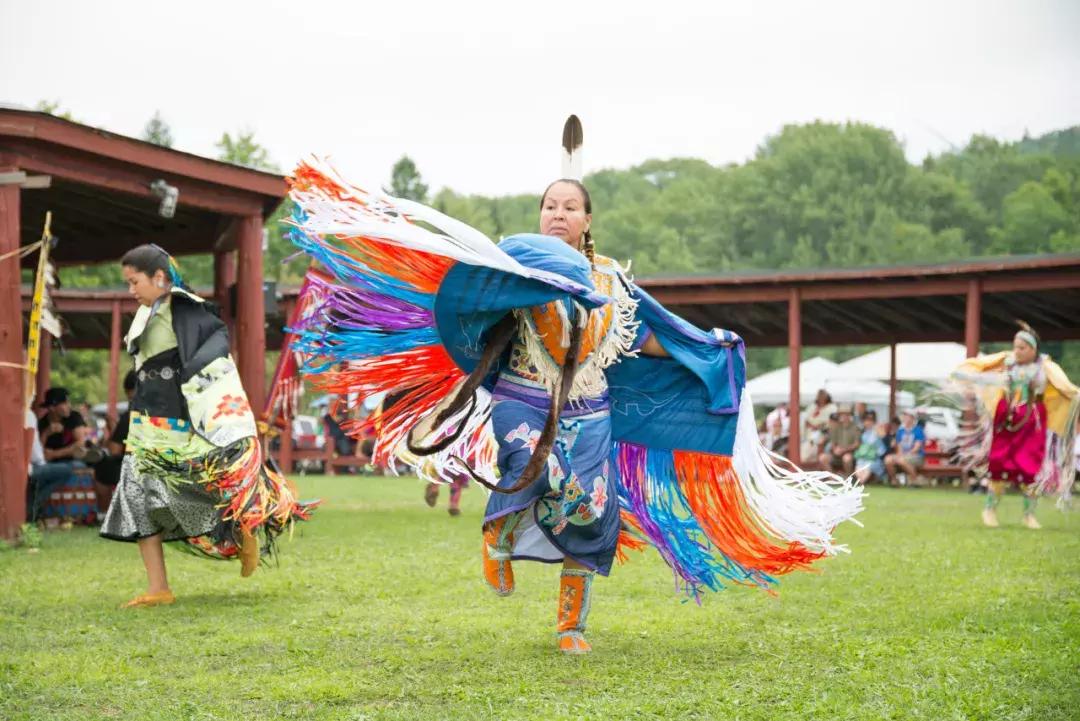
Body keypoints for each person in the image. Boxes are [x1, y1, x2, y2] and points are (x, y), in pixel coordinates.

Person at [286, 157, 863, 655]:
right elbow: (472, 308)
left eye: (569, 207)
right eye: (549, 206)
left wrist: (704, 351)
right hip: (523, 397)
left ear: (588, 220)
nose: (557, 214)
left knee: (588, 513)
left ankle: (570, 627)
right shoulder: (514, 266)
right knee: (528, 467)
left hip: (590, 411)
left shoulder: (612, 280)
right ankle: (498, 537)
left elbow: (645, 337)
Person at [99, 244, 315, 608]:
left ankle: (242, 524)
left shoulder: (184, 310)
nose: (131, 290)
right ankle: (159, 588)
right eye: (128, 283)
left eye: (135, 281)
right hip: (145, 422)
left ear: (159, 278)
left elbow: (213, 359)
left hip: (180, 422)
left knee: (200, 482)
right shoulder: (145, 314)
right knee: (135, 494)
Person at [952, 322, 1078, 528]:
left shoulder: (1045, 368)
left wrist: (1075, 393)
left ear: (1033, 349)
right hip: (1007, 419)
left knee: (1030, 467)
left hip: (1032, 421)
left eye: (1022, 348)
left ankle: (1029, 515)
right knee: (999, 464)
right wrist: (968, 376)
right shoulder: (1007, 363)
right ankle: (989, 510)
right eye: (1015, 346)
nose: (1017, 351)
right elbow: (988, 377)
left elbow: (1065, 386)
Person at [885, 410, 925, 486]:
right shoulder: (900, 431)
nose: (905, 418)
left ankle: (915, 479)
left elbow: (916, 448)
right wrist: (899, 455)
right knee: (888, 459)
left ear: (913, 418)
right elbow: (899, 448)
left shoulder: (918, 430)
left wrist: (904, 455)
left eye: (908, 416)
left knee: (901, 460)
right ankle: (894, 480)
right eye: (905, 416)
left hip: (917, 456)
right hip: (903, 456)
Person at [820, 404, 859, 475]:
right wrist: (835, 449)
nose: (843, 416)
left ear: (850, 415)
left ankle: (848, 479)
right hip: (836, 454)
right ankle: (833, 479)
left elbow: (856, 444)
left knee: (847, 458)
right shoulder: (836, 427)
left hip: (849, 453)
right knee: (822, 458)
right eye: (841, 414)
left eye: (846, 414)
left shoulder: (855, 428)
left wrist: (844, 449)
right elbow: (833, 442)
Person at [802, 390, 836, 464]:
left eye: (822, 396)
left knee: (820, 444)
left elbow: (833, 421)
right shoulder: (812, 406)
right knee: (807, 448)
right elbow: (806, 419)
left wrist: (820, 426)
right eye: (819, 396)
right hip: (810, 434)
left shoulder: (832, 407)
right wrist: (812, 425)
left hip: (824, 433)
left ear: (826, 397)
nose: (820, 398)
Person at [853, 412, 886, 484]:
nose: (868, 422)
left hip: (875, 458)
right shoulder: (863, 432)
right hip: (864, 457)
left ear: (874, 421)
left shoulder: (878, 430)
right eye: (866, 420)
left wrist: (878, 429)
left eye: (870, 420)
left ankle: (861, 484)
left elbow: (884, 438)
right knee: (858, 468)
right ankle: (861, 484)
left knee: (867, 468)